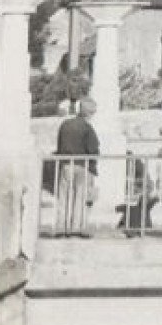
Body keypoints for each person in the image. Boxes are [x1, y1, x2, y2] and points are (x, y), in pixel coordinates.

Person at [53, 98, 100, 238]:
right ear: (90, 113)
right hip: (82, 165)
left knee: (63, 198)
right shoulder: (87, 128)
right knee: (80, 198)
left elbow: (59, 145)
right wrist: (93, 167)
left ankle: (61, 228)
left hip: (65, 164)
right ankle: (76, 228)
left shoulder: (65, 124)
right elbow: (93, 149)